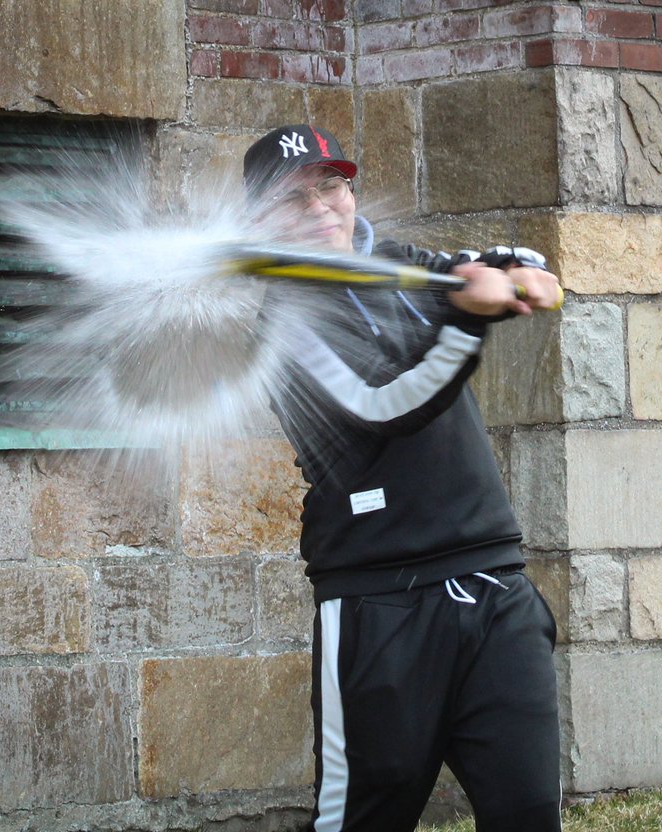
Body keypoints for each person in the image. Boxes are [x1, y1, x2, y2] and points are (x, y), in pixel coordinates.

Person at [244, 124, 564, 832]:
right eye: (296, 198)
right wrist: (465, 322)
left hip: (492, 584)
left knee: (530, 812)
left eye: (332, 185)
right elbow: (383, 406)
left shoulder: (399, 265)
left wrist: (514, 269)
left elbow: (477, 263)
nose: (323, 207)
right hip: (376, 605)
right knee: (365, 819)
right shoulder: (285, 323)